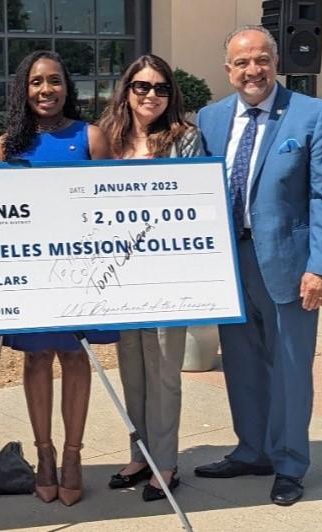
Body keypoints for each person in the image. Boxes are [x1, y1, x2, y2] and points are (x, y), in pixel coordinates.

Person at [193, 25, 322, 506]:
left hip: (290, 264)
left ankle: (288, 463)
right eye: (241, 63)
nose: (252, 70)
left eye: (261, 59)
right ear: (228, 70)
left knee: (289, 368)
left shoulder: (313, 115)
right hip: (230, 264)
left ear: (276, 62)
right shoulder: (210, 118)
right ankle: (252, 450)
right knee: (240, 365)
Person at [0, 50, 116, 507]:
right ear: (24, 89)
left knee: (75, 358)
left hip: (81, 275)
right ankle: (44, 454)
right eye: (37, 82)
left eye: (55, 81)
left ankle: (73, 454)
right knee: (37, 360)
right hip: (30, 279)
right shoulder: (6, 147)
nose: (47, 90)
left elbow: (110, 212)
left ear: (68, 87)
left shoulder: (91, 137)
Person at [97, 53, 203, 502]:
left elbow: (193, 205)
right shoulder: (108, 139)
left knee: (164, 372)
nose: (151, 95)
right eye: (142, 86)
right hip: (120, 278)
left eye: (160, 88)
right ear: (127, 90)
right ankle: (140, 454)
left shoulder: (185, 138)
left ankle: (166, 462)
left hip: (167, 276)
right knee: (132, 371)